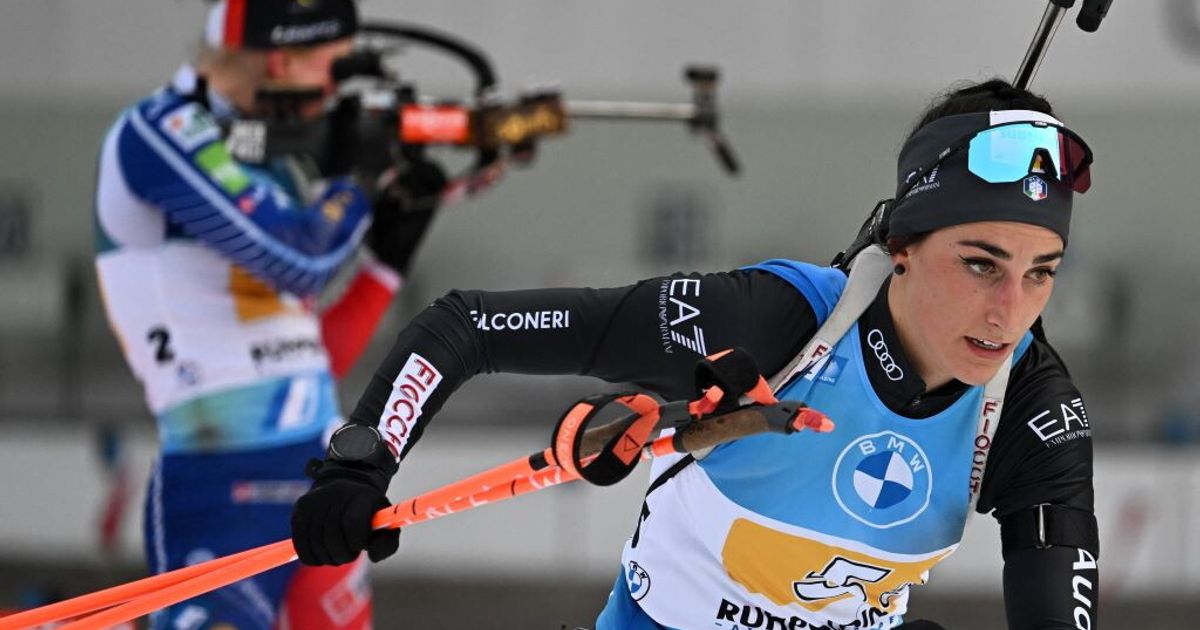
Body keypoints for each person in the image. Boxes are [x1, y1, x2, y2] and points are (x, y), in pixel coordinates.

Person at [290, 79, 1101, 630]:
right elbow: (467, 327)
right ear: (902, 247)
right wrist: (361, 462)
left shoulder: (1032, 405)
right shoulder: (776, 321)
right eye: (981, 264)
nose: (1009, 311)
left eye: (1042, 273)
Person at [94, 1, 445, 627]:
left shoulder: (273, 161)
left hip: (323, 469)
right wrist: (361, 177)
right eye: (335, 68)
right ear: (281, 61)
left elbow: (303, 358)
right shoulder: (156, 130)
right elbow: (302, 258)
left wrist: (386, 263)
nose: (339, 90)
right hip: (219, 486)